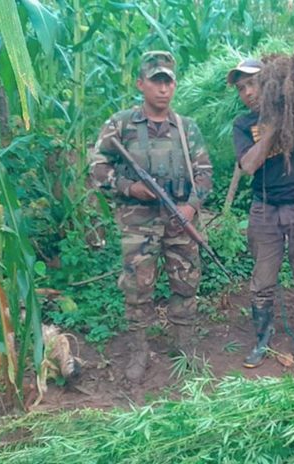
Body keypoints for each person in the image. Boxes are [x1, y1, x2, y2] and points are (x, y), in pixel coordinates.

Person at [90, 51, 213, 383]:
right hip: (137, 221)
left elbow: (205, 174)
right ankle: (139, 350)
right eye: (156, 81)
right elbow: (97, 166)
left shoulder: (187, 128)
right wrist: (129, 188)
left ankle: (184, 346)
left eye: (168, 82)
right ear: (140, 84)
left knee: (186, 281)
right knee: (137, 286)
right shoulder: (121, 124)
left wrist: (190, 207)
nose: (163, 89)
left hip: (180, 218)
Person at [228, 58, 294, 369]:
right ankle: (262, 338)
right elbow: (249, 165)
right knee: (262, 282)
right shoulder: (243, 125)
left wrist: (286, 107)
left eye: (252, 84)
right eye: (241, 88)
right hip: (265, 210)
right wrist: (270, 132)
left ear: (268, 82)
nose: (248, 92)